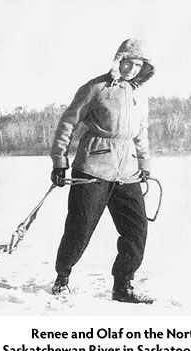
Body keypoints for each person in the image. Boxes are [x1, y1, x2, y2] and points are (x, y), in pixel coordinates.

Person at [49, 38, 155, 304]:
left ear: (144, 67)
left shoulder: (138, 94)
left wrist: (145, 164)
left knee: (136, 231)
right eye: (128, 62)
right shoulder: (95, 88)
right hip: (92, 169)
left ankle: (123, 286)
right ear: (118, 60)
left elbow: (141, 132)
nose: (132, 68)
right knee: (79, 229)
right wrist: (60, 161)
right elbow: (68, 123)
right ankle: (62, 277)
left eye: (138, 64)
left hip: (128, 172)